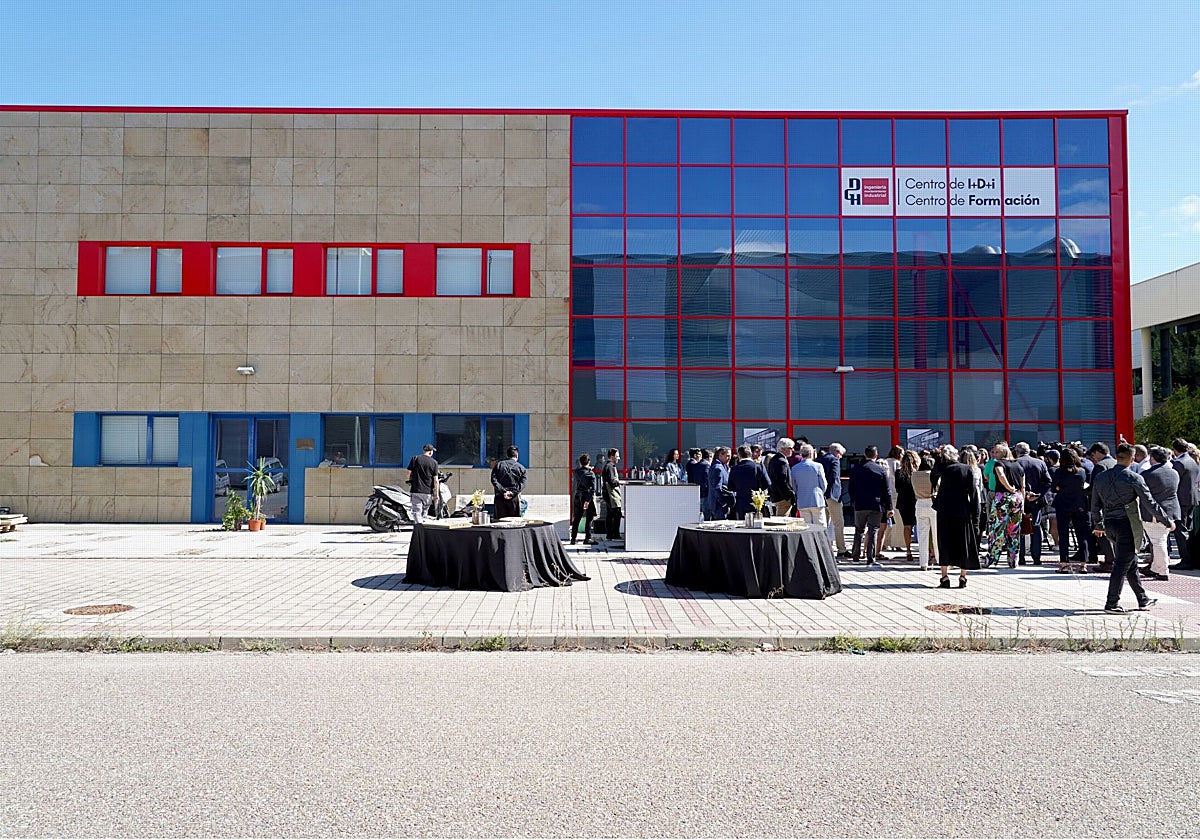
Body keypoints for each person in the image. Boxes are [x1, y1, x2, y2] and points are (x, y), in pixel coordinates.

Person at [1090, 442, 1172, 614]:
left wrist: (1098, 524)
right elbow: (1149, 502)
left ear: (1116, 455)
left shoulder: (1100, 477)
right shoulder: (1134, 477)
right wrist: (1166, 521)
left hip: (1109, 523)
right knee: (1121, 564)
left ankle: (1143, 599)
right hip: (1126, 524)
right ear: (1132, 459)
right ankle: (1112, 603)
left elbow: (1094, 505)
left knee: (1131, 561)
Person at [933, 446, 981, 588]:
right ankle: (962, 576)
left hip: (944, 509)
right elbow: (973, 493)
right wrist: (975, 513)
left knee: (944, 541)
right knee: (963, 542)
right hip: (962, 509)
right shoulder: (967, 469)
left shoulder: (942, 468)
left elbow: (933, 477)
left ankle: (944, 576)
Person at [1140, 446, 1179, 581]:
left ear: (1152, 458)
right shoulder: (1174, 473)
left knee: (1158, 542)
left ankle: (1163, 571)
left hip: (1153, 513)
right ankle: (1156, 568)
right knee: (1160, 541)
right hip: (1171, 511)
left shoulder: (1147, 475)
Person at [986, 442, 1026, 569]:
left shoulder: (998, 463)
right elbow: (1023, 484)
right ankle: (1013, 560)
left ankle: (992, 558)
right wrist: (1022, 500)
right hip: (1017, 498)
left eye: (997, 452)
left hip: (1002, 498)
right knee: (1014, 530)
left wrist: (1009, 488)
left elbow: (1001, 475)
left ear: (1003, 453)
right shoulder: (1018, 465)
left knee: (997, 528)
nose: (994, 454)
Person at [1051, 447, 1091, 574]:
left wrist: (1059, 488)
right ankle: (1083, 564)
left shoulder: (1059, 472)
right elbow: (1086, 486)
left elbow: (1053, 488)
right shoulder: (1082, 472)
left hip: (1063, 505)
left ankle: (1064, 564)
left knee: (1063, 535)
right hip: (1079, 505)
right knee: (1082, 535)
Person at [850, 445, 892, 565]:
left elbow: (851, 488)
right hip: (876, 504)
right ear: (876, 455)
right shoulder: (880, 470)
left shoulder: (856, 469)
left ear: (865, 454)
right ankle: (870, 557)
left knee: (859, 530)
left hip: (860, 504)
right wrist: (889, 507)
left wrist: (853, 501)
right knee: (873, 530)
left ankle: (856, 554)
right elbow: (886, 490)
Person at [1013, 442, 1052, 566]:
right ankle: (1036, 558)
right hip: (1036, 500)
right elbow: (1048, 482)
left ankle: (1021, 557)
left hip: (1019, 499)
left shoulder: (1014, 463)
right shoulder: (1040, 463)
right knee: (1036, 527)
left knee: (1019, 528)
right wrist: (1038, 494)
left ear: (1017, 451)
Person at [1086, 442, 1118, 572]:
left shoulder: (1100, 466)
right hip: (1118, 503)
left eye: (1093, 455)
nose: (1093, 458)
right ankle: (1116, 559)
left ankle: (1110, 560)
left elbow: (1094, 488)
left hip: (1103, 504)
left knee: (1103, 533)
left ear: (1098, 452)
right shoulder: (1117, 463)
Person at [1169, 438, 1199, 571]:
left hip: (1181, 500)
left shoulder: (1179, 463)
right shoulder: (1192, 461)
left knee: (1180, 530)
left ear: (1175, 450)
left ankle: (1186, 559)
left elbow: (1174, 483)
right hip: (1192, 499)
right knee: (1188, 529)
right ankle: (1190, 557)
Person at [789, 443, 828, 526]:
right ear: (811, 454)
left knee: (806, 526)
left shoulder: (794, 468)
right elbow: (823, 484)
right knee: (820, 525)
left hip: (802, 501)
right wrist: (821, 493)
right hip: (816, 499)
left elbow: (794, 486)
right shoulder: (818, 466)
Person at [820, 443, 848, 557]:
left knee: (823, 523)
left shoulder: (820, 460)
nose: (841, 457)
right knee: (838, 523)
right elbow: (834, 477)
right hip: (833, 496)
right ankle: (841, 549)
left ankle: (824, 547)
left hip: (822, 496)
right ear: (836, 452)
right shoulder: (834, 461)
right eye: (841, 454)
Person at [727, 445, 769, 518]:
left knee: (742, 525)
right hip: (757, 501)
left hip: (741, 502)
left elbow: (731, 487)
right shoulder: (759, 467)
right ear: (750, 454)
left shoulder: (734, 469)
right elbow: (767, 483)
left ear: (739, 455)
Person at [912, 455, 937, 571]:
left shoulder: (914, 475)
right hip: (933, 503)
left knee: (922, 535)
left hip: (919, 503)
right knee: (936, 535)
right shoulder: (933, 475)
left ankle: (923, 563)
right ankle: (939, 559)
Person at [895, 450, 920, 563]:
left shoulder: (898, 473)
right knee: (920, 526)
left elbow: (897, 488)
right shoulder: (918, 473)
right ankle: (926, 551)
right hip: (916, 501)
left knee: (907, 526)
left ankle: (908, 551)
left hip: (903, 502)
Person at [405, 444, 439, 525]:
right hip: (428, 492)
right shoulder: (434, 463)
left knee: (416, 511)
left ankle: (418, 528)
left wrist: (410, 480)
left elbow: (408, 473)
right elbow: (436, 481)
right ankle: (423, 527)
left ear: (424, 451)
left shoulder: (415, 459)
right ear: (430, 452)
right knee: (425, 512)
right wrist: (436, 494)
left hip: (416, 490)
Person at [490, 445, 527, 520]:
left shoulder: (499, 465)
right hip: (514, 500)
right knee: (514, 523)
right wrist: (512, 493)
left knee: (499, 522)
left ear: (507, 455)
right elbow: (522, 484)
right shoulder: (521, 468)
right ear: (516, 455)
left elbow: (494, 480)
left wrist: (503, 491)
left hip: (500, 498)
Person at [569, 453, 598, 545]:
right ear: (588, 462)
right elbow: (593, 489)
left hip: (578, 496)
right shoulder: (591, 474)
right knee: (589, 518)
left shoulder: (576, 472)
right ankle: (587, 538)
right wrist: (587, 501)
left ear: (580, 462)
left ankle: (573, 538)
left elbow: (581, 472)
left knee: (577, 518)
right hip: (586, 496)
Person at [767, 438, 797, 518]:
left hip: (777, 496)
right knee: (781, 522)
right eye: (790, 448)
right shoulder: (781, 461)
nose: (792, 450)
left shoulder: (774, 459)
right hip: (782, 498)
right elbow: (782, 481)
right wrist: (788, 496)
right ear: (783, 449)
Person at [705, 446, 733, 521]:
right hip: (718, 506)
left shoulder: (722, 466)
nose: (729, 458)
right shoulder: (718, 468)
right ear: (720, 455)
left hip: (718, 505)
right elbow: (717, 488)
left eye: (730, 456)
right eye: (727, 456)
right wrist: (723, 503)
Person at [601, 448, 622, 539]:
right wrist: (619, 482)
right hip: (611, 494)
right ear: (612, 457)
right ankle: (615, 534)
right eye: (617, 456)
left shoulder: (609, 466)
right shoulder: (609, 467)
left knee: (610, 514)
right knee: (617, 513)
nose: (619, 458)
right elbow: (611, 481)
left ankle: (610, 534)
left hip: (609, 494)